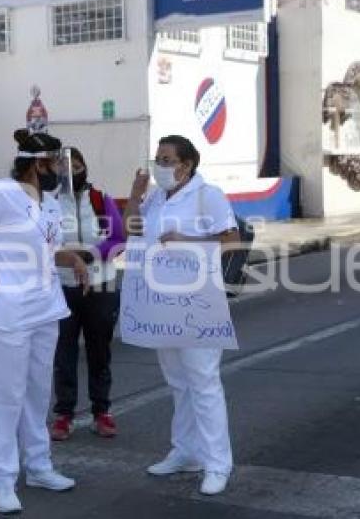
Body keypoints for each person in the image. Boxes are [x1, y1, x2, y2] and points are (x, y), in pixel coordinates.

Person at [0, 130, 90, 515]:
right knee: (4, 397)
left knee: (36, 391)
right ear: (36, 163)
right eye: (54, 164)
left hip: (45, 307)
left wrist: (72, 259)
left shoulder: (47, 201)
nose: (59, 171)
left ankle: (39, 466)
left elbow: (44, 249)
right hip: (7, 311)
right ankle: (3, 480)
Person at [123, 135, 241, 496]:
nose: (160, 165)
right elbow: (131, 230)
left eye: (167, 159)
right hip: (161, 306)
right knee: (178, 383)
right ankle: (185, 452)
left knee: (203, 383)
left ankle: (217, 463)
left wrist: (186, 240)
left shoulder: (208, 196)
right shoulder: (158, 196)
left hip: (197, 306)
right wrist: (135, 194)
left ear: (186, 165)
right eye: (157, 158)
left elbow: (232, 242)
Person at [51, 147, 125, 441]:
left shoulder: (100, 199)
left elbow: (119, 239)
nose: (70, 170)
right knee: (64, 353)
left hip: (100, 286)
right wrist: (69, 258)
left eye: (76, 164)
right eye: (63, 166)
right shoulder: (50, 203)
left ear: (85, 166)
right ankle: (64, 415)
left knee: (99, 351)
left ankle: (101, 411)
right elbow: (42, 242)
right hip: (63, 287)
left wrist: (89, 254)